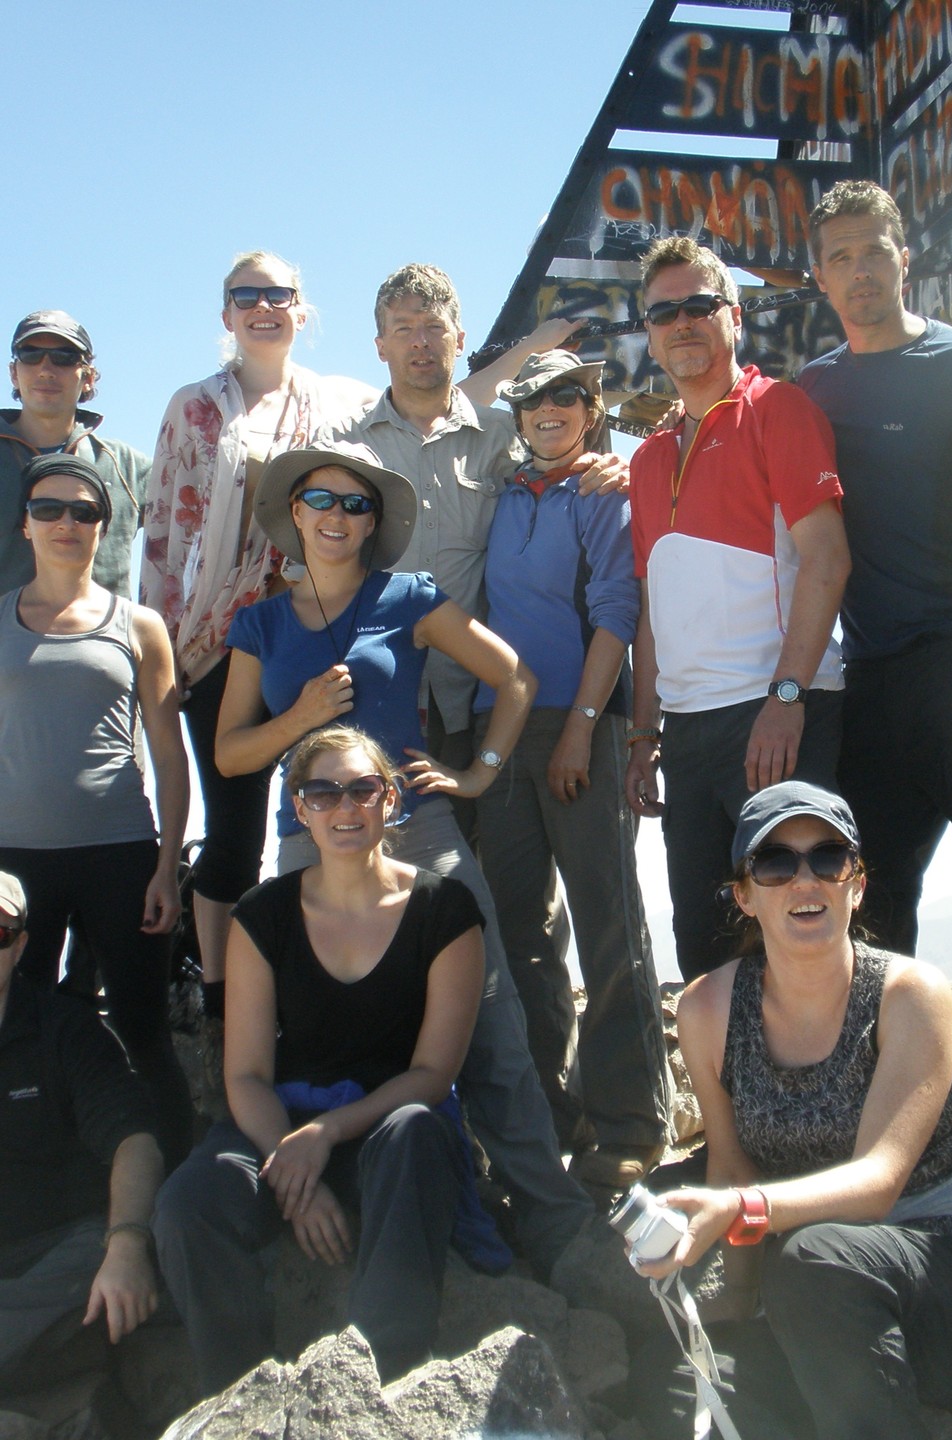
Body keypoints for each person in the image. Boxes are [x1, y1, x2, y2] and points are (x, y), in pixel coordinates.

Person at [631, 781, 952, 1440]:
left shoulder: (907, 995)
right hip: (831, 1304)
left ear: (855, 884)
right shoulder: (708, 1010)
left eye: (828, 859)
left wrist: (741, 1216)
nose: (805, 878)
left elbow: (878, 1181)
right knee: (681, 1376)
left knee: (815, 1260)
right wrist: (740, 1301)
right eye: (776, 863)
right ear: (745, 895)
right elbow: (732, 1164)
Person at [214, 440, 590, 1276]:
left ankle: (555, 1220)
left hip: (419, 838)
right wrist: (302, 717)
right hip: (305, 846)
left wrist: (476, 775)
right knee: (328, 1038)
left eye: (358, 504)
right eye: (323, 499)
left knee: (492, 1034)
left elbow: (515, 678)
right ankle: (351, 1202)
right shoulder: (262, 621)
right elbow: (233, 752)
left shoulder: (408, 597)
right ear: (295, 513)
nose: (339, 516)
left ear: (375, 522)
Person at [799, 179, 952, 1152]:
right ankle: (894, 1087)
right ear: (820, 277)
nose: (860, 273)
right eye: (840, 258)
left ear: (908, 257)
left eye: (875, 252)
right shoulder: (812, 392)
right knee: (876, 893)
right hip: (876, 676)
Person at [154, 727, 486, 1389]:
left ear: (389, 799)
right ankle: (241, 1400)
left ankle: (381, 1385)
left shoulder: (443, 910)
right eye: (322, 792)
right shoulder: (263, 913)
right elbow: (244, 1074)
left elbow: (432, 1075)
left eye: (362, 788)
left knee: (418, 1133)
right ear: (299, 809)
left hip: (389, 1130)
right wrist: (287, 1165)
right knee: (187, 1202)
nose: (345, 807)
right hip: (281, 1125)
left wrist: (326, 1135)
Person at [139, 251, 376, 1046]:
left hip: (301, 627)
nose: (264, 307)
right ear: (227, 313)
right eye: (248, 295)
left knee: (325, 811)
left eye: (280, 294)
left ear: (303, 310)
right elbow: (164, 537)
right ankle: (218, 997)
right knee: (235, 827)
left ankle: (324, 980)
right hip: (211, 644)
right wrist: (161, 650)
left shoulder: (336, 404)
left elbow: (432, 403)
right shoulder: (193, 408)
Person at [329, 264, 622, 848]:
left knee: (485, 877)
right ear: (380, 344)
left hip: (475, 702)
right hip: (373, 697)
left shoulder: (501, 435)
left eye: (434, 327)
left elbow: (556, 466)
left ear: (459, 339)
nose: (420, 341)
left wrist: (611, 464)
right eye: (404, 327)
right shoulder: (344, 444)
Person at [624, 237, 851, 981]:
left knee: (801, 940)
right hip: (688, 735)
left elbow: (827, 557)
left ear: (735, 317)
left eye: (699, 306)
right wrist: (644, 736)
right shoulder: (649, 456)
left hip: (777, 713)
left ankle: (834, 1099)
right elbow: (656, 606)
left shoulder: (778, 409)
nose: (682, 322)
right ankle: (734, 1101)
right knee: (707, 949)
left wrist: (786, 697)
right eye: (665, 312)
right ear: (650, 333)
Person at [474, 349, 670, 1192]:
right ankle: (547, 1113)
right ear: (516, 415)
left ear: (591, 410)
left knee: (606, 920)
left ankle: (631, 1119)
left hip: (579, 720)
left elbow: (617, 614)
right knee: (520, 930)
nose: (549, 409)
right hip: (500, 726)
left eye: (568, 396)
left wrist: (583, 731)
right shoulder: (502, 492)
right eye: (534, 399)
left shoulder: (604, 493)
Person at [0, 453, 193, 1168]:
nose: (66, 523)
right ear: (24, 524)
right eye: (49, 509)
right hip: (13, 867)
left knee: (143, 1031)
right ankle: (47, 1191)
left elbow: (171, 758)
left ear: (103, 528)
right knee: (21, 1027)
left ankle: (174, 1194)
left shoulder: (140, 626)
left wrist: (168, 867)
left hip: (120, 854)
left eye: (84, 512)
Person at [0, 868, 163, 1392]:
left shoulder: (67, 1031)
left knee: (97, 1263)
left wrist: (127, 1246)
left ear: (21, 945)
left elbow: (134, 1140)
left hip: (54, 1252)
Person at [2, 311, 148, 600]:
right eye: (30, 354)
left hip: (103, 640)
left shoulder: (128, 467)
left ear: (89, 377)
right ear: (13, 373)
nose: (46, 369)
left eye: (64, 357)